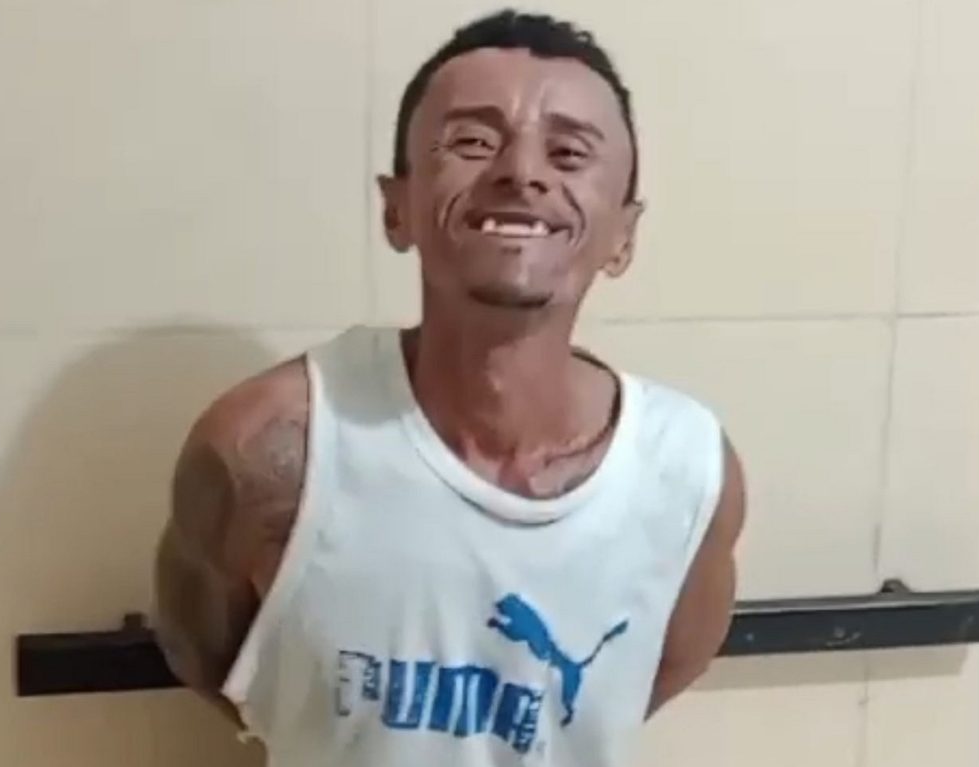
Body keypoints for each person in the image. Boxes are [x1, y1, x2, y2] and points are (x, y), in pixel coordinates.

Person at [154, 10, 746, 767]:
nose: (521, 173)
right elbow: (205, 659)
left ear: (624, 234)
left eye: (569, 152)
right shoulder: (263, 451)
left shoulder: (691, 472)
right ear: (396, 207)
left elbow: (654, 675)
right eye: (472, 141)